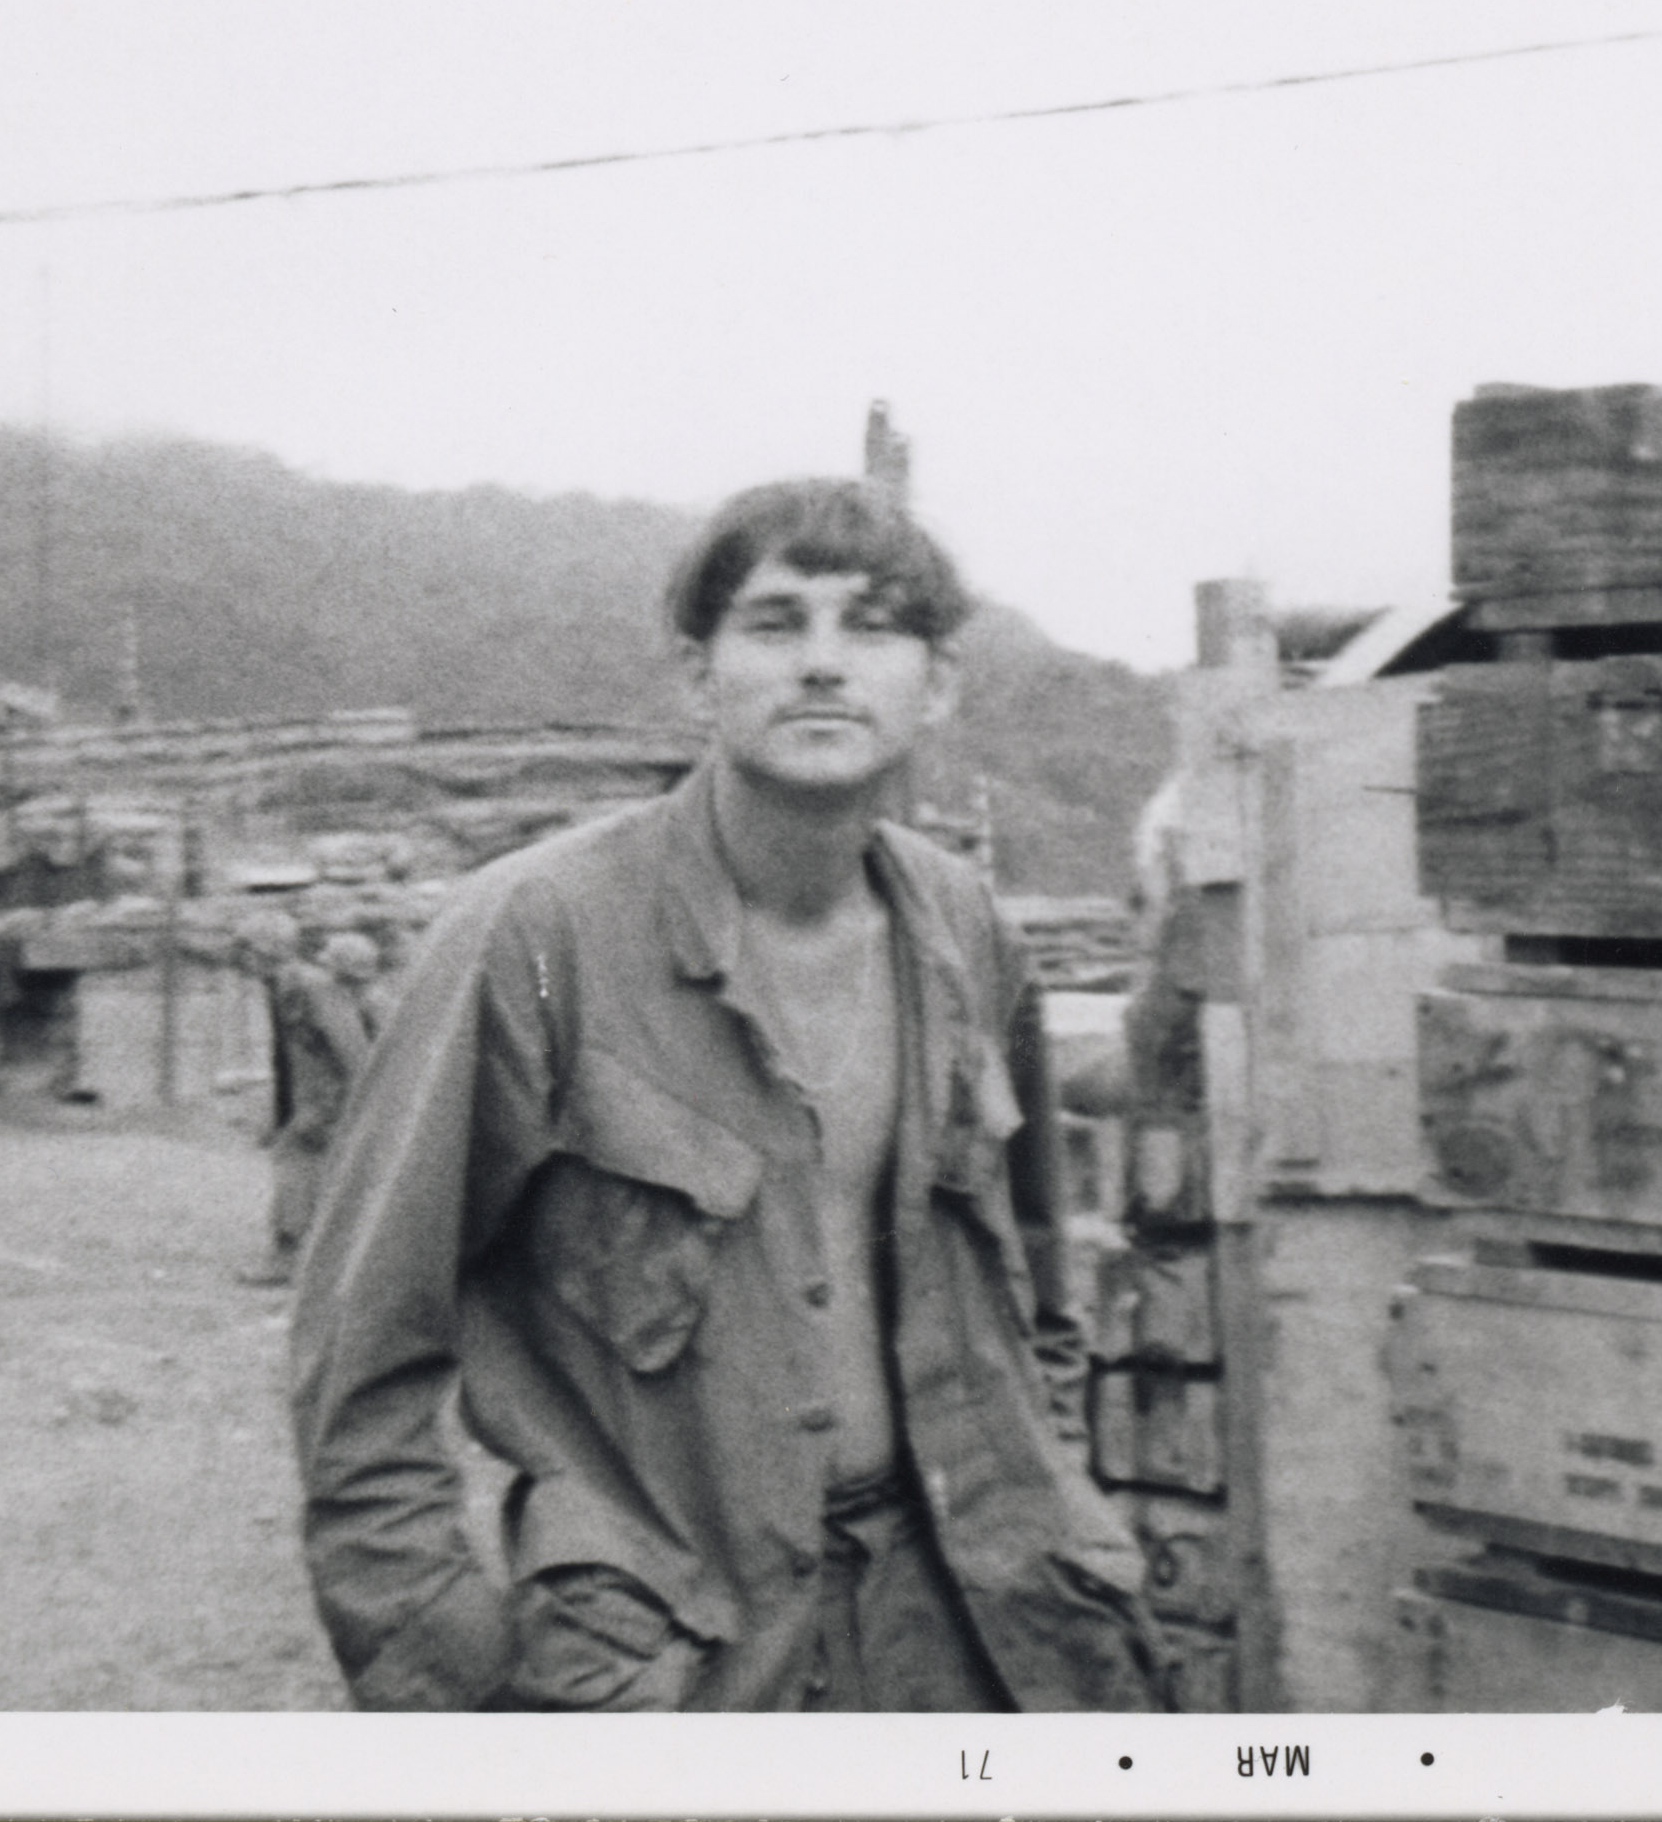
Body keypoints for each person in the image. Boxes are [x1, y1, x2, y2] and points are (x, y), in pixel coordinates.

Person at [288, 477, 1165, 1713]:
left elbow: (1030, 1289)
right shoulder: (532, 937)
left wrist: (1058, 1502)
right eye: (773, 623)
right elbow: (361, 1349)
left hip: (962, 1625)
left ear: (939, 683)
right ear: (696, 679)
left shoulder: (968, 933)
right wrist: (450, 1657)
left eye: (868, 625)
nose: (821, 665)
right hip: (676, 1653)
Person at [238, 916, 380, 1288]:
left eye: (246, 949)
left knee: (295, 1162)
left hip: (330, 1102)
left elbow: (353, 1049)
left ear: (263, 950)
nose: (242, 959)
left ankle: (289, 1258)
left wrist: (342, 1106)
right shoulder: (286, 985)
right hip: (315, 1101)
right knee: (316, 1171)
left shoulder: (311, 987)